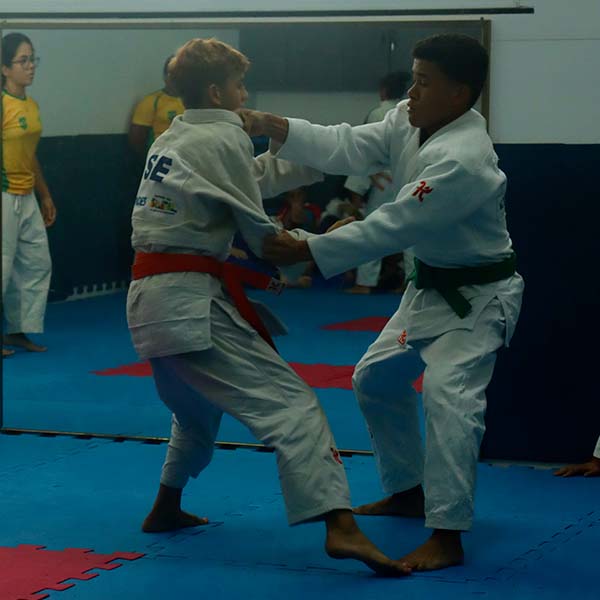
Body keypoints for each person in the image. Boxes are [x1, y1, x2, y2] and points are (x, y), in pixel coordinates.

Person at [126, 38, 411, 577]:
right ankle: (340, 526)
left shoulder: (177, 135)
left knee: (196, 411)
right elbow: (264, 238)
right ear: (217, 92)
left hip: (151, 301)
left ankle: (165, 506)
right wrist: (329, 240)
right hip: (188, 302)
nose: (245, 95)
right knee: (293, 407)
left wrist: (309, 159)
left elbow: (240, 181)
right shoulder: (223, 136)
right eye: (239, 86)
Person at [242, 33, 525, 571]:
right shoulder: (407, 120)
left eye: (423, 83)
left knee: (448, 399)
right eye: (412, 79)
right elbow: (346, 145)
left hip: (476, 298)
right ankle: (408, 491)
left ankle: (448, 532)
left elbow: (394, 225)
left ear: (459, 92)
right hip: (427, 287)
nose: (410, 93)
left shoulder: (464, 158)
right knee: (375, 379)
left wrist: (308, 249)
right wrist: (276, 125)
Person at [2, 33, 55, 357]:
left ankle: (17, 331)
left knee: (36, 263)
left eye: (33, 59)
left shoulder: (31, 106)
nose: (30, 66)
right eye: (23, 60)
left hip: (27, 195)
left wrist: (44, 194)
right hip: (4, 195)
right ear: (5, 68)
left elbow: (30, 155)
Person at [343, 71, 409, 294]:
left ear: (383, 91)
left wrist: (363, 181)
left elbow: (364, 148)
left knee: (372, 230)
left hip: (382, 179)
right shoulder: (409, 112)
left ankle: (365, 282)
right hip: (406, 177)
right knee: (410, 231)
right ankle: (411, 282)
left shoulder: (378, 113)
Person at [128, 55, 185, 159]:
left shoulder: (195, 102)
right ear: (165, 76)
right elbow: (137, 139)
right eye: (172, 74)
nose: (176, 78)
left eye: (181, 74)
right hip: (160, 157)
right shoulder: (151, 102)